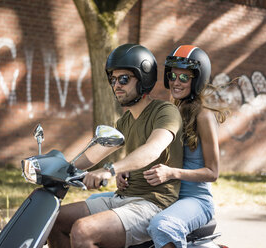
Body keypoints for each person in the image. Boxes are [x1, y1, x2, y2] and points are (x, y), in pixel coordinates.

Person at [47, 44, 183, 248]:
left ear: (144, 79)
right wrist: (60, 170)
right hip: (122, 198)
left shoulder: (165, 111)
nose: (117, 85)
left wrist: (110, 170)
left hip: (153, 204)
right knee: (54, 220)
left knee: (83, 230)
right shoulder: (124, 122)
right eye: (113, 79)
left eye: (124, 79)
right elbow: (94, 154)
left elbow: (152, 149)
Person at [97, 45, 227, 248]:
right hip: (163, 194)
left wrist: (172, 173)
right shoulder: (167, 111)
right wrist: (126, 171)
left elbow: (212, 172)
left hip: (194, 199)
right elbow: (151, 151)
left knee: (162, 226)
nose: (176, 82)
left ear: (198, 80)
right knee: (100, 208)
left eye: (184, 78)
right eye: (173, 76)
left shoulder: (204, 116)